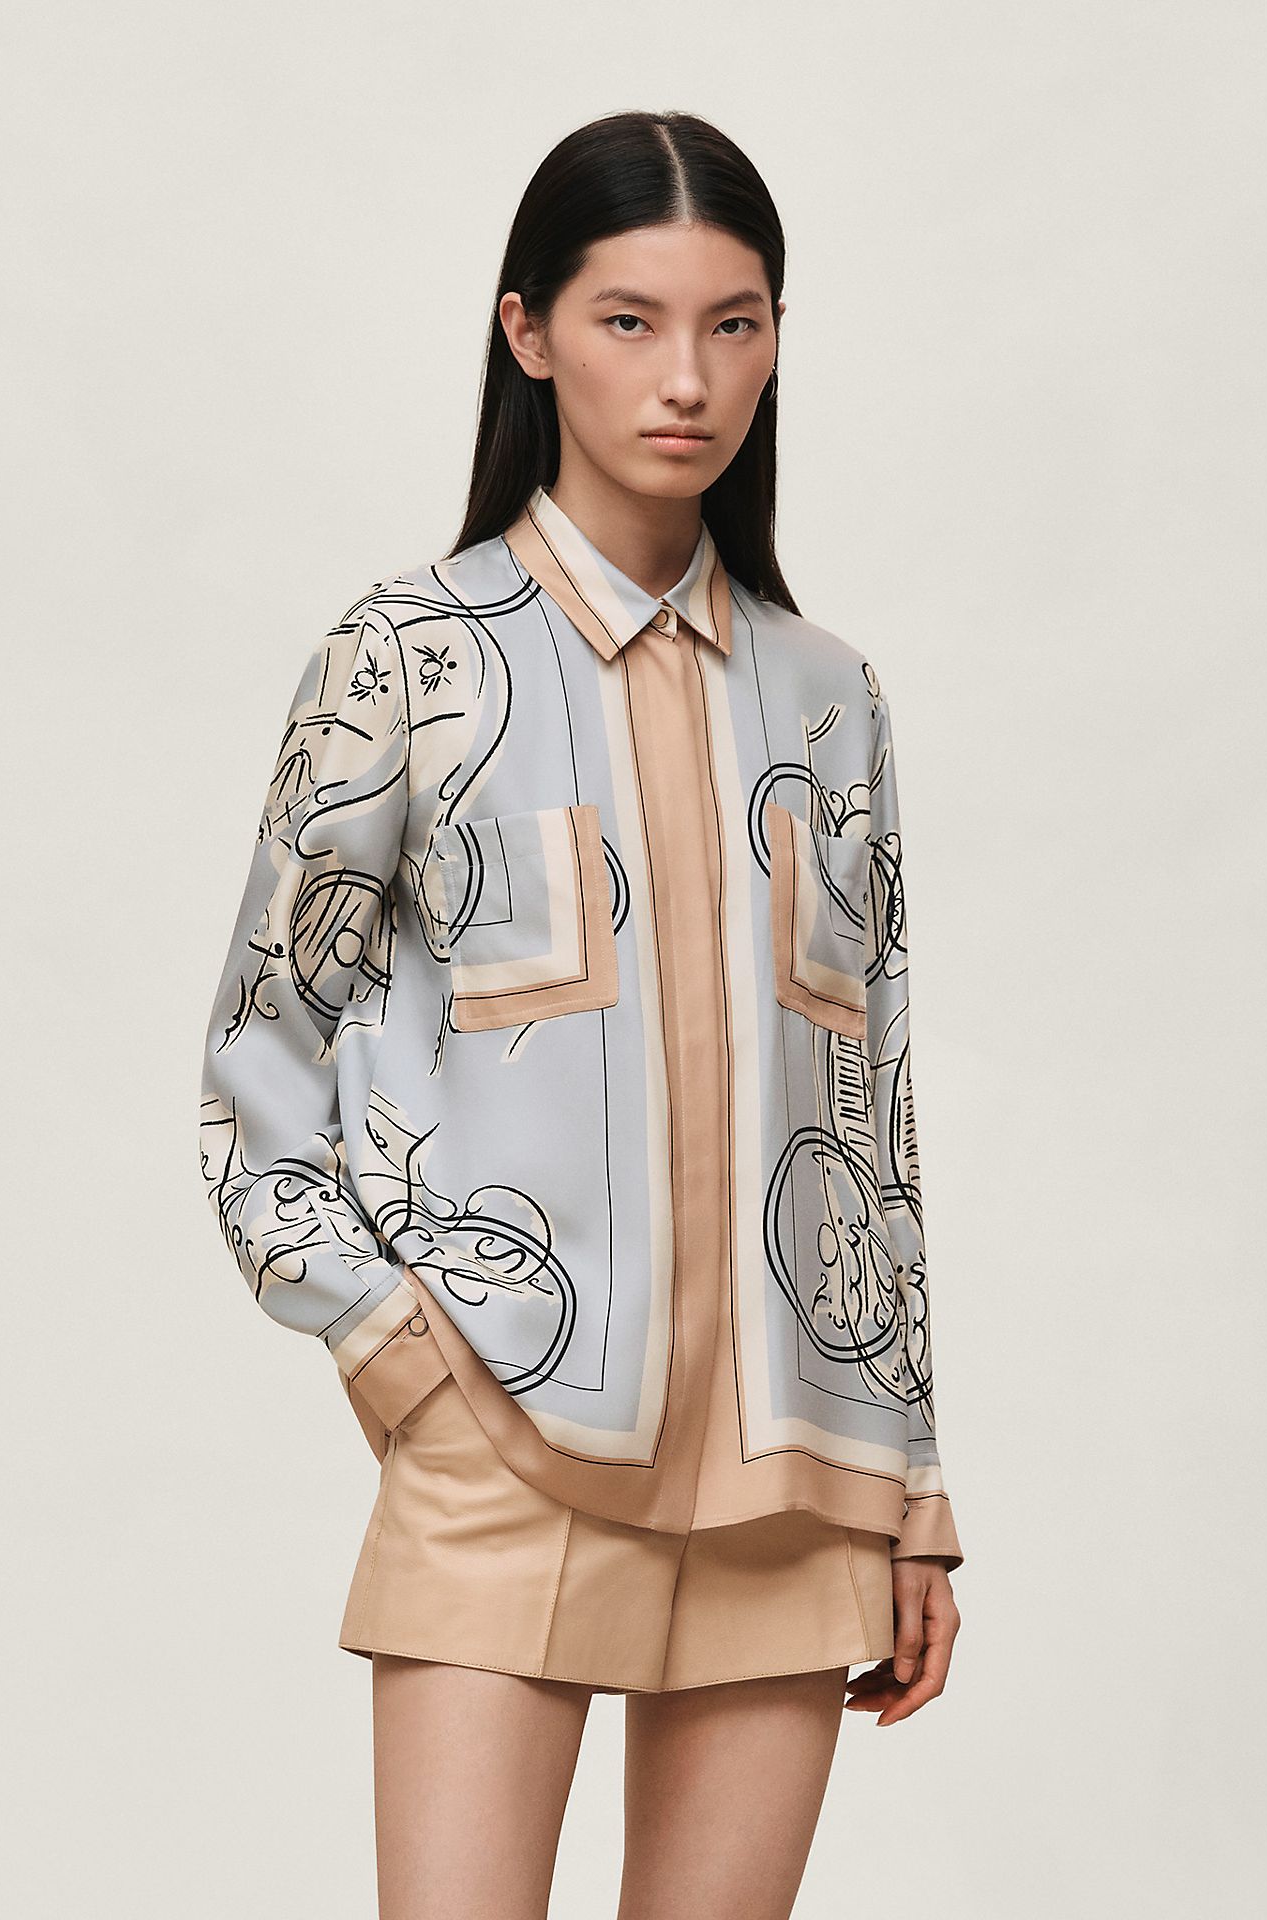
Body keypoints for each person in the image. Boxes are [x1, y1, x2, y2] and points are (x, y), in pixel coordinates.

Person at [197, 108, 963, 1920]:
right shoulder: (407, 662)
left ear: (774, 342)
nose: (687, 378)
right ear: (528, 331)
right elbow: (258, 1070)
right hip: (508, 1452)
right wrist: (405, 1362)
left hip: (796, 1479)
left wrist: (912, 1491)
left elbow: (869, 1125)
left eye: (733, 324)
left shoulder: (832, 698)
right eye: (631, 320)